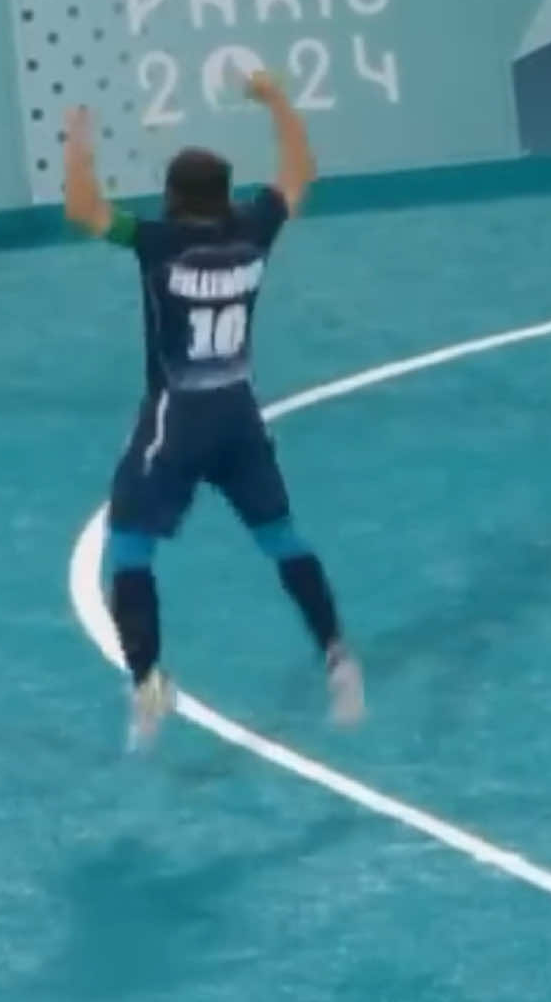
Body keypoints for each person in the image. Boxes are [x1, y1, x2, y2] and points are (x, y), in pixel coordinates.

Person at [62, 72, 364, 747]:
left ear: (171, 200)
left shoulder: (158, 244)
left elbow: (83, 208)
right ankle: (338, 655)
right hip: (239, 420)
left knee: (131, 548)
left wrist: (78, 143)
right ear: (225, 198)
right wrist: (275, 98)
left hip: (176, 425)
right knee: (282, 538)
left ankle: (147, 682)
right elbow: (299, 171)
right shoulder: (254, 232)